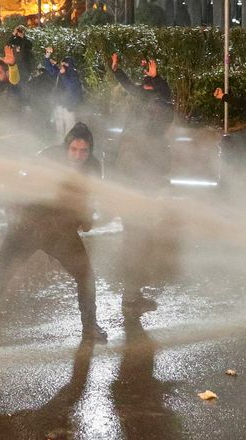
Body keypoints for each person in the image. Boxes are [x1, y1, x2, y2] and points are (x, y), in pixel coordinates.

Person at [0, 123, 107, 354]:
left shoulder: (93, 166)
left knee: (86, 277)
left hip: (60, 232)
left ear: (90, 150)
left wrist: (86, 216)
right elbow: (18, 185)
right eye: (73, 149)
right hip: (27, 228)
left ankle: (89, 328)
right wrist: (15, 212)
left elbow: (89, 196)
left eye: (83, 151)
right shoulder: (46, 158)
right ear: (66, 147)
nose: (78, 156)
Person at [110, 53, 174, 312]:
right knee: (135, 242)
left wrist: (152, 76)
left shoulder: (150, 123)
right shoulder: (142, 132)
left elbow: (156, 95)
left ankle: (132, 295)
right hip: (136, 194)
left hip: (141, 191)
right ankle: (131, 298)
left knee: (138, 242)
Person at [44, 47, 83, 139]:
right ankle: (59, 144)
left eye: (64, 63)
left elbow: (71, 87)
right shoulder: (61, 71)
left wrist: (63, 74)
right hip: (59, 104)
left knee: (70, 128)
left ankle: (68, 145)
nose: (61, 64)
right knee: (59, 127)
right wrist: (47, 57)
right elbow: (50, 70)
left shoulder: (73, 74)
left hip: (69, 105)